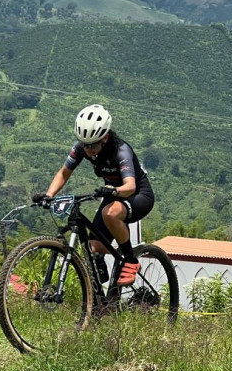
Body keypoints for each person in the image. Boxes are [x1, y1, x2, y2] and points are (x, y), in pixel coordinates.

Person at [33, 104, 154, 288]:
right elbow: (65, 172)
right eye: (84, 144)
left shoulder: (120, 150)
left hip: (138, 195)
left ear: (104, 138)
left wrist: (114, 191)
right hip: (112, 193)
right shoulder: (82, 146)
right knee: (94, 249)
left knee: (110, 213)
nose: (87, 149)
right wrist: (49, 195)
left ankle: (130, 260)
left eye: (92, 145)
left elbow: (130, 186)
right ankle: (104, 299)